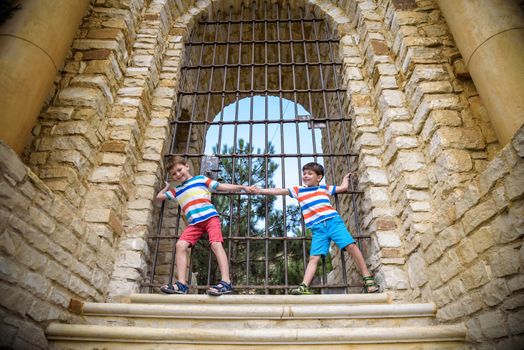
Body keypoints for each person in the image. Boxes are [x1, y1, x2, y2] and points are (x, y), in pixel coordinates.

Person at [254, 162, 379, 294]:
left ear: (319, 177)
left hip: (333, 222)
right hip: (317, 228)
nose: (306, 176)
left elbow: (343, 188)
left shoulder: (324, 188)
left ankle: (367, 277)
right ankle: (304, 286)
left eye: (309, 173)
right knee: (314, 258)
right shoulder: (298, 190)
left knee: (351, 246)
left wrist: (345, 179)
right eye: (304, 174)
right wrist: (261, 190)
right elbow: (279, 190)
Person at [157, 156, 254, 296]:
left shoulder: (201, 179)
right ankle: (182, 285)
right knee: (180, 245)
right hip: (194, 223)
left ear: (187, 166)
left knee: (215, 244)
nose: (178, 174)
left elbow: (221, 186)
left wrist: (243, 187)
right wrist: (167, 186)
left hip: (210, 218)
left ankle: (226, 282)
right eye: (174, 174)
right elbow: (159, 197)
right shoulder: (176, 190)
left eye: (179, 170)